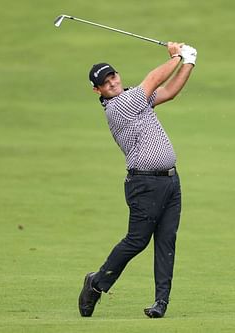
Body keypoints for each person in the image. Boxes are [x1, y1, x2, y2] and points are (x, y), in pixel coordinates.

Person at [78, 42, 197, 319]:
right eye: (105, 83)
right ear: (98, 91)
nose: (112, 83)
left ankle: (160, 303)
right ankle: (96, 284)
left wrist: (190, 62)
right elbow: (155, 79)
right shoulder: (117, 107)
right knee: (137, 241)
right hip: (144, 185)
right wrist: (177, 55)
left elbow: (168, 91)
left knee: (166, 241)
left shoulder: (134, 96)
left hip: (170, 182)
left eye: (113, 77)